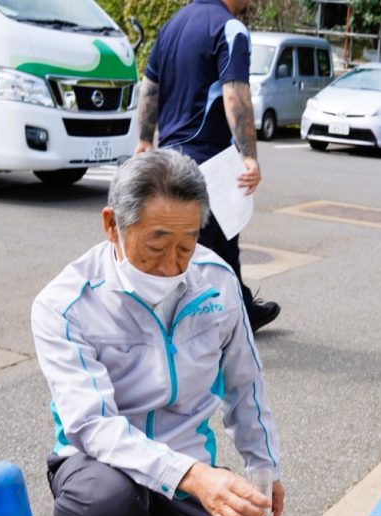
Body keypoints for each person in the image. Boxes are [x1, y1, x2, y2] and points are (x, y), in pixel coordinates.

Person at [31, 150, 302, 516]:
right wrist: (197, 478)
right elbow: (93, 425)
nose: (172, 266)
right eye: (156, 245)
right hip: (102, 467)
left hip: (187, 468)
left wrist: (265, 470)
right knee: (105, 503)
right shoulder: (65, 305)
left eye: (187, 244)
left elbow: (246, 385)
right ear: (112, 225)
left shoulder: (216, 281)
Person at [134, 0, 281, 333]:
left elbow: (150, 88)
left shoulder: (171, 26)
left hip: (170, 156)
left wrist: (144, 140)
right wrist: (249, 156)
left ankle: (241, 308)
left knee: (223, 240)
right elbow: (235, 94)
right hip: (209, 162)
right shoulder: (229, 28)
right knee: (199, 250)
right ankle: (166, 321)